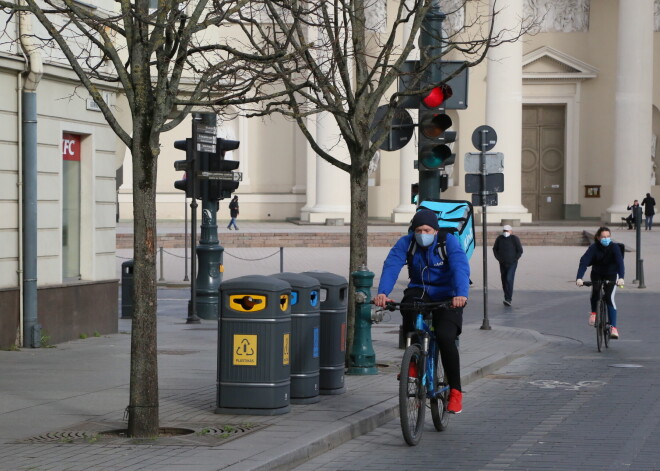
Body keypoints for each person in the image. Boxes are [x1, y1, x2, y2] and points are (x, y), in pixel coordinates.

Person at [373, 209, 470, 414]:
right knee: (408, 307)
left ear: (435, 230)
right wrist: (383, 293)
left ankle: (455, 392)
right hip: (420, 289)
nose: (422, 233)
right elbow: (391, 265)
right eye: (418, 230)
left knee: (445, 337)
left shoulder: (448, 242)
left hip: (448, 294)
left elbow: (460, 266)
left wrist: (460, 294)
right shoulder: (406, 243)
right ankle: (415, 360)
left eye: (426, 229)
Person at [575, 227, 625, 339]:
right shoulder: (594, 248)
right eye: (603, 237)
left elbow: (620, 263)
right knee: (595, 292)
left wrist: (621, 277)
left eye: (608, 236)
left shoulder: (614, 247)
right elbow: (584, 262)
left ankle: (613, 328)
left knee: (609, 297)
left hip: (611, 274)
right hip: (597, 273)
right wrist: (579, 278)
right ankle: (594, 313)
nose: (606, 239)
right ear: (598, 237)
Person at [492, 224, 523, 307]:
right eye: (504, 231)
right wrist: (498, 258)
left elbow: (520, 250)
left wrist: (515, 259)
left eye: (507, 231)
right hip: (502, 263)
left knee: (509, 279)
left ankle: (508, 299)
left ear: (511, 231)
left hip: (512, 263)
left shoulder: (514, 239)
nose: (506, 232)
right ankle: (506, 296)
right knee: (504, 279)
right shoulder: (499, 238)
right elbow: (495, 249)